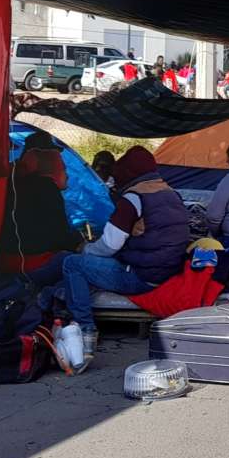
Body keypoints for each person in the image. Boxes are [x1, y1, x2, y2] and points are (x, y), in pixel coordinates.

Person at [53, 147, 191, 368]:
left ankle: (85, 330)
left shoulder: (133, 198)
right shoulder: (170, 193)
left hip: (141, 277)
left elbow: (109, 244)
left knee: (73, 264)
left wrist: (85, 249)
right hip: (167, 272)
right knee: (83, 274)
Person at [0, 133, 82, 278]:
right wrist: (79, 244)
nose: (66, 173)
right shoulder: (46, 187)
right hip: (31, 263)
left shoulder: (12, 179)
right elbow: (58, 235)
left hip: (2, 260)